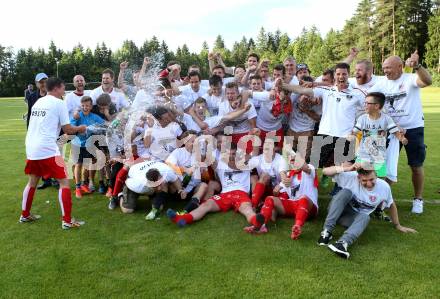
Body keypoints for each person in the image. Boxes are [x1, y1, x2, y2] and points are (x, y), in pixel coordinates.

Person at [369, 50, 432, 214]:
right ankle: (381, 199)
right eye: (383, 68)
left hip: (413, 128)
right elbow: (369, 100)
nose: (385, 71)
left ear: (400, 66)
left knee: (416, 165)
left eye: (388, 68)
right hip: (390, 131)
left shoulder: (410, 79)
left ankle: (418, 199)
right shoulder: (382, 83)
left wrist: (417, 66)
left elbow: (428, 80)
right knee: (384, 166)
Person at [21, 77, 87, 229]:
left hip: (31, 147)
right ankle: (67, 221)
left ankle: (25, 215)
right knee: (64, 182)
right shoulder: (59, 103)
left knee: (32, 181)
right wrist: (80, 128)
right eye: (64, 88)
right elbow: (68, 130)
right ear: (57, 88)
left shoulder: (39, 101)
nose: (64, 91)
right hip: (47, 148)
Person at [318, 164, 417, 259]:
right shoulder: (352, 177)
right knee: (345, 192)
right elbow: (325, 171)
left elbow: (391, 205)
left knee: (365, 217)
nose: (369, 184)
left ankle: (342, 244)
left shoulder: (384, 187)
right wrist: (348, 168)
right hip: (335, 211)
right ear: (358, 178)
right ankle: (327, 232)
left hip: (351, 219)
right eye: (364, 180)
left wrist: (398, 225)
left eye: (371, 179)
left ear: (376, 176)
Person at [282, 63, 366, 171]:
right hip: (325, 133)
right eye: (338, 74)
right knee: (313, 166)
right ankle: (310, 186)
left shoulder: (357, 93)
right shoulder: (326, 90)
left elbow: (370, 108)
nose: (341, 76)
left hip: (345, 136)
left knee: (344, 168)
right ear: (335, 76)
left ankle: (339, 187)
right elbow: (303, 90)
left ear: (348, 75)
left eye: (344, 74)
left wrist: (357, 128)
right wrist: (284, 85)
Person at [166, 144, 265, 230]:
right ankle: (182, 219)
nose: (231, 156)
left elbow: (255, 153)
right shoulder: (219, 163)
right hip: (225, 194)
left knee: (246, 209)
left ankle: (256, 221)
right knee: (206, 205)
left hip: (241, 193)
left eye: (233, 154)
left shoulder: (245, 163)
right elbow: (204, 157)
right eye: (228, 154)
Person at [250, 150, 318, 239]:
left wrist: (293, 154)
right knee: (269, 198)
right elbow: (276, 193)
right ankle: (261, 225)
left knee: (303, 198)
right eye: (291, 161)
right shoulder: (289, 174)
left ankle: (297, 226)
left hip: (309, 207)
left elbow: (305, 167)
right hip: (294, 206)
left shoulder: (310, 168)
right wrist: (277, 190)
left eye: (296, 160)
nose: (293, 162)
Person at [348, 92, 407, 179]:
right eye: (365, 103)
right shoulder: (362, 118)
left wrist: (402, 139)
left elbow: (395, 132)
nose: (365, 105)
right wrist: (351, 136)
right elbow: (354, 132)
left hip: (379, 156)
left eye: (368, 103)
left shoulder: (386, 119)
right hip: (363, 155)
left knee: (378, 179)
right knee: (361, 178)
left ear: (377, 106)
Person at [122, 160, 186, 219]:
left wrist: (180, 190)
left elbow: (175, 179)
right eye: (156, 185)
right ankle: (120, 196)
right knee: (127, 210)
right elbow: (126, 182)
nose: (159, 188)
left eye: (160, 182)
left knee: (159, 207)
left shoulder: (166, 171)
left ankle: (156, 198)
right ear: (149, 184)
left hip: (152, 169)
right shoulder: (137, 185)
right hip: (133, 178)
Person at [70, 96, 105, 198]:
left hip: (89, 145)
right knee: (78, 165)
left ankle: (84, 185)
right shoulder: (77, 116)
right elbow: (70, 128)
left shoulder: (94, 117)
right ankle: (77, 187)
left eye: (88, 106)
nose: (85, 107)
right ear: (81, 106)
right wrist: (77, 124)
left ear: (91, 106)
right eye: (83, 105)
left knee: (87, 165)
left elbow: (103, 124)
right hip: (77, 144)